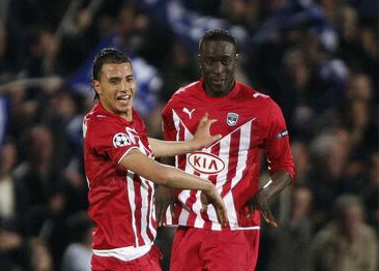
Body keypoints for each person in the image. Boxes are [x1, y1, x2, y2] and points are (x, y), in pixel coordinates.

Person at [158, 28, 295, 271]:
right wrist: (165, 187)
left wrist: (266, 192)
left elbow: (284, 166)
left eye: (225, 61)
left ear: (236, 61)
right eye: (211, 61)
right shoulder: (178, 103)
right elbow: (170, 153)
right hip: (189, 226)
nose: (218, 69)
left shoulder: (263, 108)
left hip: (234, 229)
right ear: (200, 62)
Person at [83, 48, 228, 271]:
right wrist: (206, 185)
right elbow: (158, 173)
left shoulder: (128, 118)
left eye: (128, 79)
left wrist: (192, 145)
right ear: (97, 86)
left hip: (142, 253)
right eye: (114, 81)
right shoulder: (100, 125)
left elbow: (143, 144)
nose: (124, 88)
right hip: (120, 260)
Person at [309, 194, 377, 271]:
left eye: (355, 216)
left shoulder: (369, 236)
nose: (351, 221)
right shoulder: (324, 239)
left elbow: (371, 265)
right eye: (346, 216)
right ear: (338, 217)